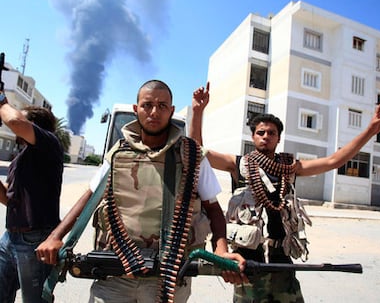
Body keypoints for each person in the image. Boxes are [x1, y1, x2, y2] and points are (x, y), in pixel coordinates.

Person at [36, 79, 248, 302]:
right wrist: (55, 237)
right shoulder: (118, 153)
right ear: (136, 109)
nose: (154, 112)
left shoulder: (191, 155)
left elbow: (213, 210)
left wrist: (221, 251)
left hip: (168, 277)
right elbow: (90, 197)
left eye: (162, 106)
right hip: (116, 273)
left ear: (172, 111)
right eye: (147, 105)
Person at [190, 82, 380, 302]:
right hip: (247, 258)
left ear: (278, 138)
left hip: (282, 258)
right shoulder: (238, 164)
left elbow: (335, 160)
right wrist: (197, 111)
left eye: (271, 133)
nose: (265, 136)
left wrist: (371, 130)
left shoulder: (291, 167)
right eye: (260, 132)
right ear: (253, 137)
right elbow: (197, 152)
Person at [0, 94, 64, 303]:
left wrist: (1, 100)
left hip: (34, 240)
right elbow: (10, 199)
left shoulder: (49, 143)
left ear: (35, 126)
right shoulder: (23, 158)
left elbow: (15, 121)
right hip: (10, 238)